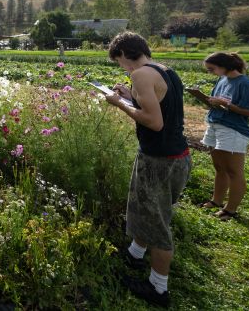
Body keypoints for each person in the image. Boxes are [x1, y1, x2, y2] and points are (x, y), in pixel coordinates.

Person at [104, 32, 191, 308]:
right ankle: (135, 253)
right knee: (148, 209)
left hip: (159, 160)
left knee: (157, 221)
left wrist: (120, 104)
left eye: (119, 61)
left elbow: (154, 122)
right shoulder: (166, 71)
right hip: (178, 156)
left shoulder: (140, 74)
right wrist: (132, 97)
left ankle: (158, 288)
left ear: (124, 54)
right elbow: (161, 106)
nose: (122, 68)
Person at [199, 52, 249, 221]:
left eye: (212, 69)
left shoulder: (246, 84)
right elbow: (219, 100)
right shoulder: (222, 79)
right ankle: (217, 201)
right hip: (215, 124)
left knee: (234, 171)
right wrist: (210, 101)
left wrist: (226, 104)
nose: (210, 73)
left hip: (233, 129)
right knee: (219, 168)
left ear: (224, 65)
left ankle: (230, 210)